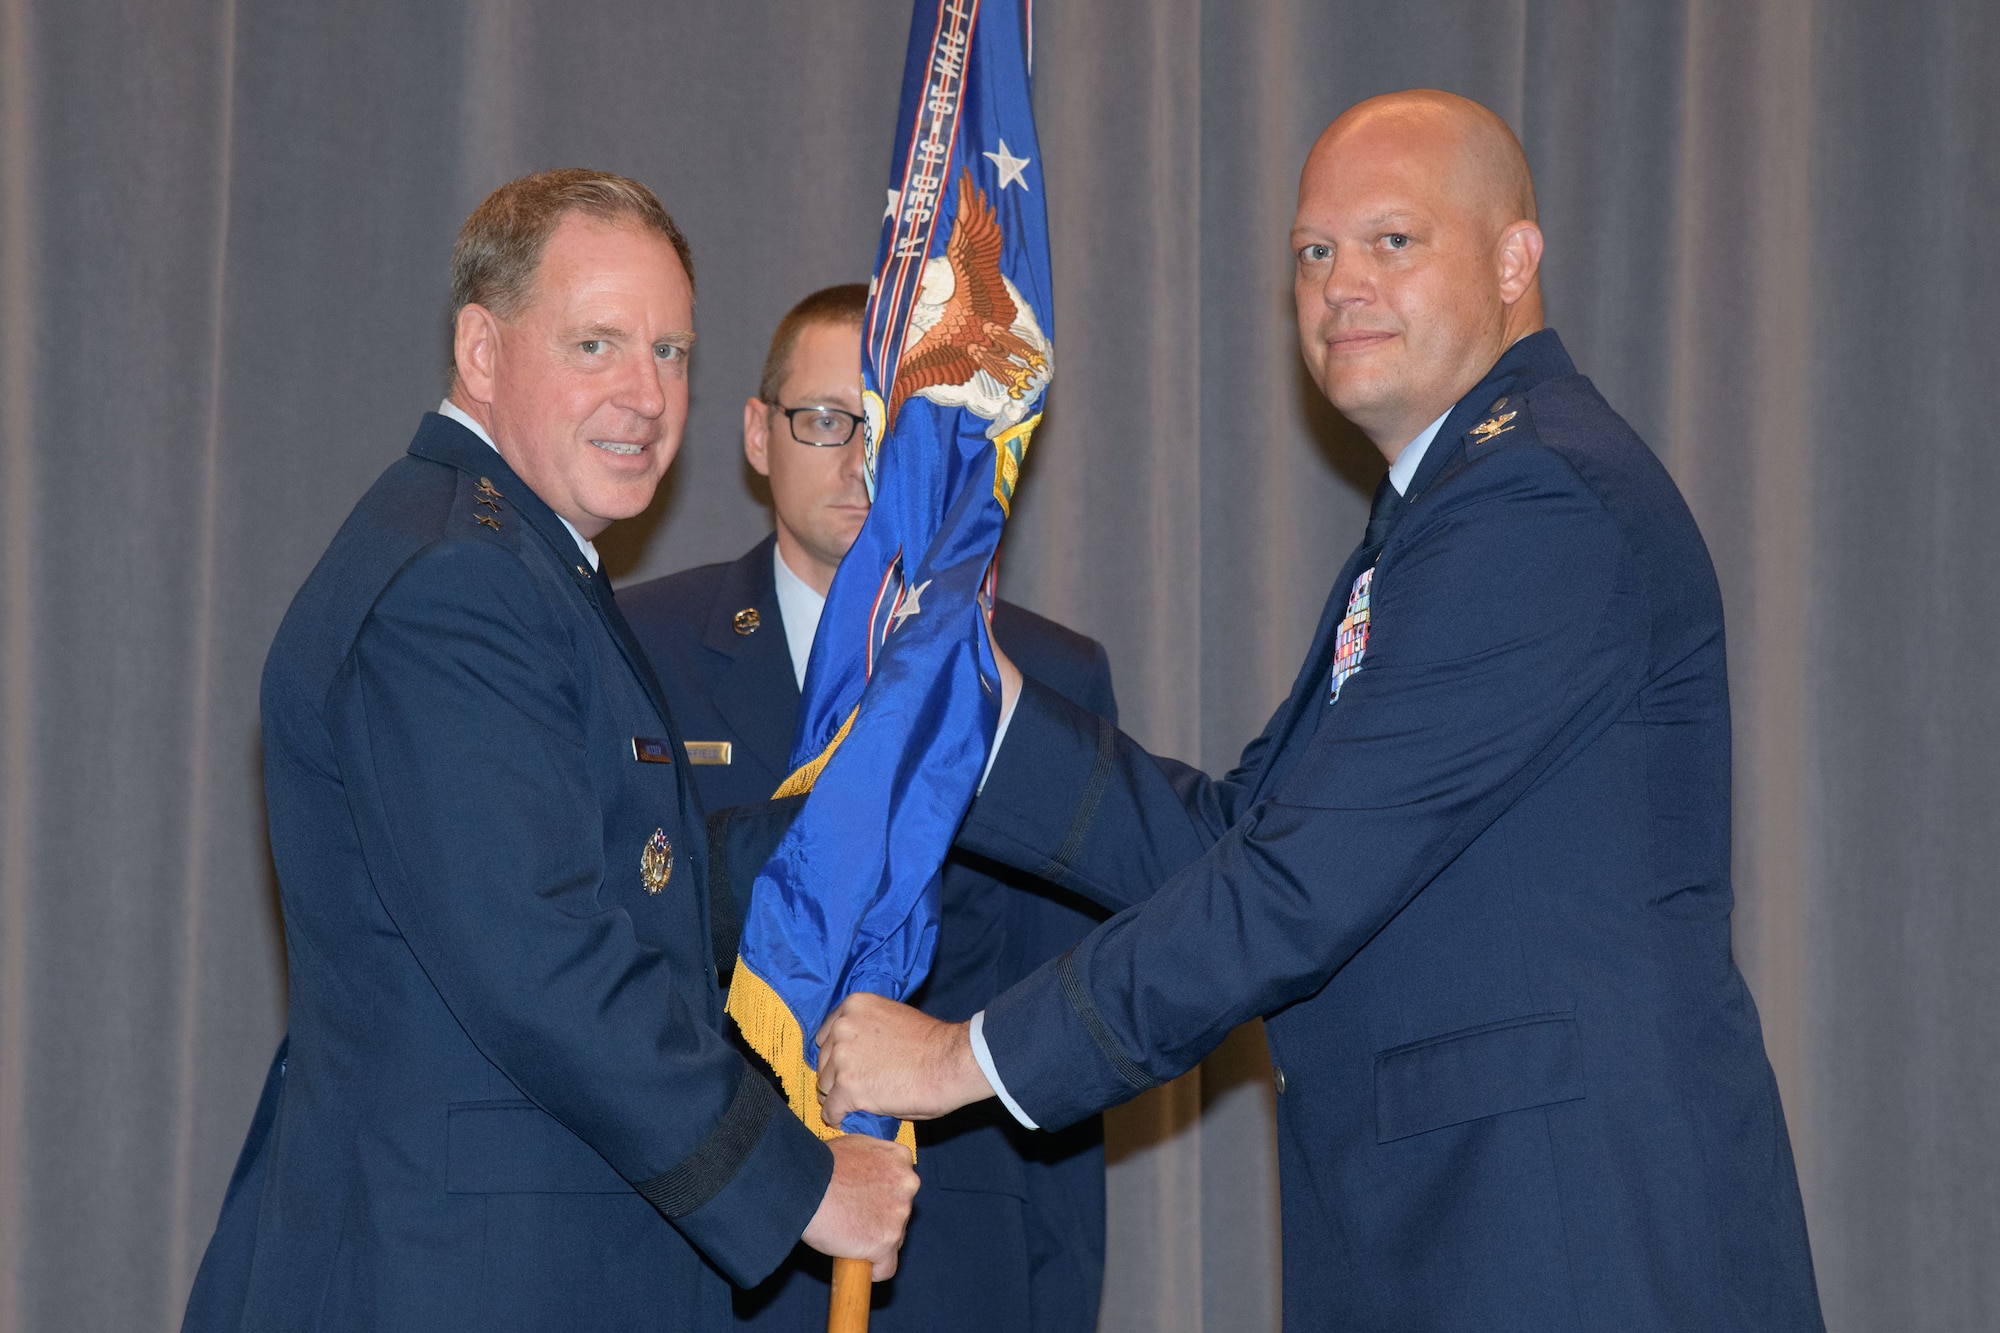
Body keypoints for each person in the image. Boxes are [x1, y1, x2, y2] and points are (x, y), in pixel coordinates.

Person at [815, 91, 1827, 1330]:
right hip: (1470, 1230)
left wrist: (962, 1057)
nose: (1341, 282)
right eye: (1313, 251)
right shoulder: (1451, 502)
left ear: (1515, 260)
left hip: (1566, 1241)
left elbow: (1291, 887)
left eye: (1392, 241)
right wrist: (976, 706)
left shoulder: (1535, 501)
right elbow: (1244, 837)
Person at [181, 171, 916, 1333]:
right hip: (455, 1277)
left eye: (670, 351)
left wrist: (863, 821)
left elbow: (622, 878)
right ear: (481, 349)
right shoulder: (454, 583)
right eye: (596, 344)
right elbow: (543, 958)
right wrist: (799, 1180)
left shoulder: (513, 554)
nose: (645, 395)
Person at [621, 284, 1116, 1333]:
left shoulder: (1042, 680)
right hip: (702, 1266)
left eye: (898, 428)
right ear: (757, 434)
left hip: (948, 1272)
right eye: (823, 421)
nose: (862, 462)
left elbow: (1063, 1040)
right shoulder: (638, 648)